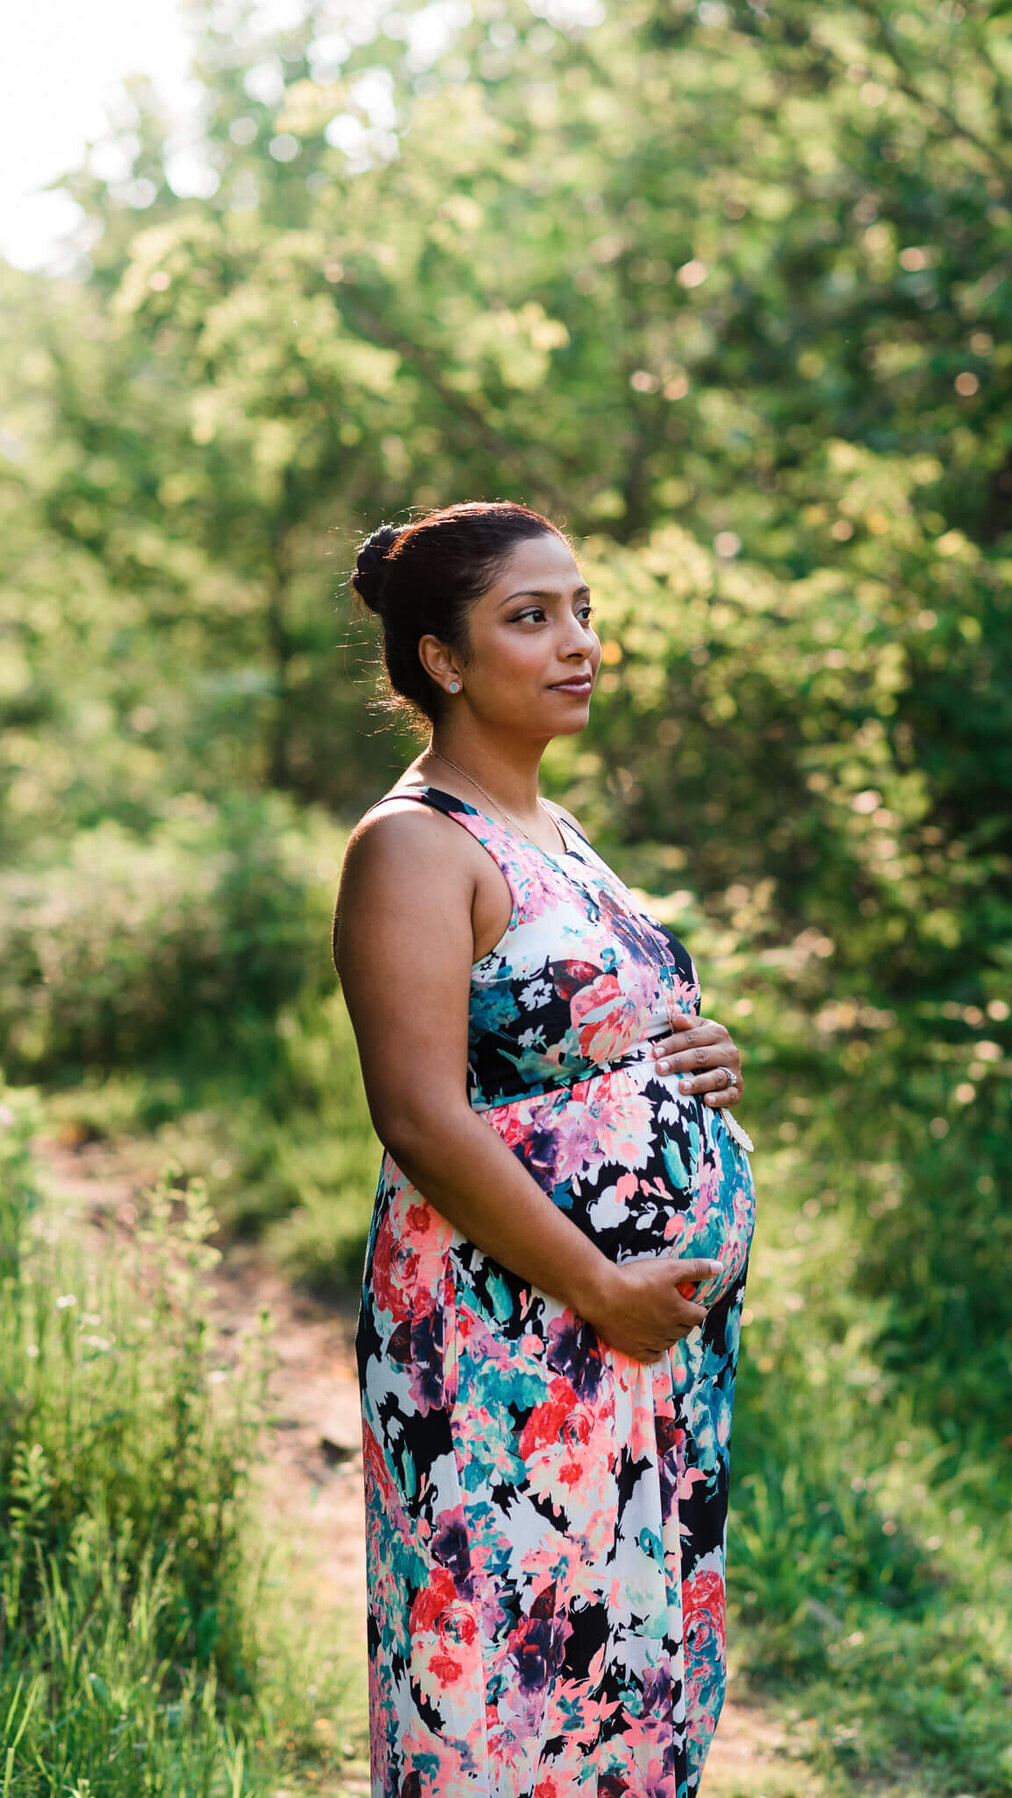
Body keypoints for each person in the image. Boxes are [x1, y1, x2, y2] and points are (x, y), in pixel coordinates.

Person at [332, 499, 756, 1798]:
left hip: (626, 1351)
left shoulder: (559, 834)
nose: (575, 641)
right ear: (442, 660)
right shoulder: (414, 844)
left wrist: (703, 1062)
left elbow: (590, 1046)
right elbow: (421, 1116)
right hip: (506, 1335)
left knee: (619, 1679)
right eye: (532, 615)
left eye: (582, 610)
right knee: (500, 1698)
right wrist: (604, 1287)